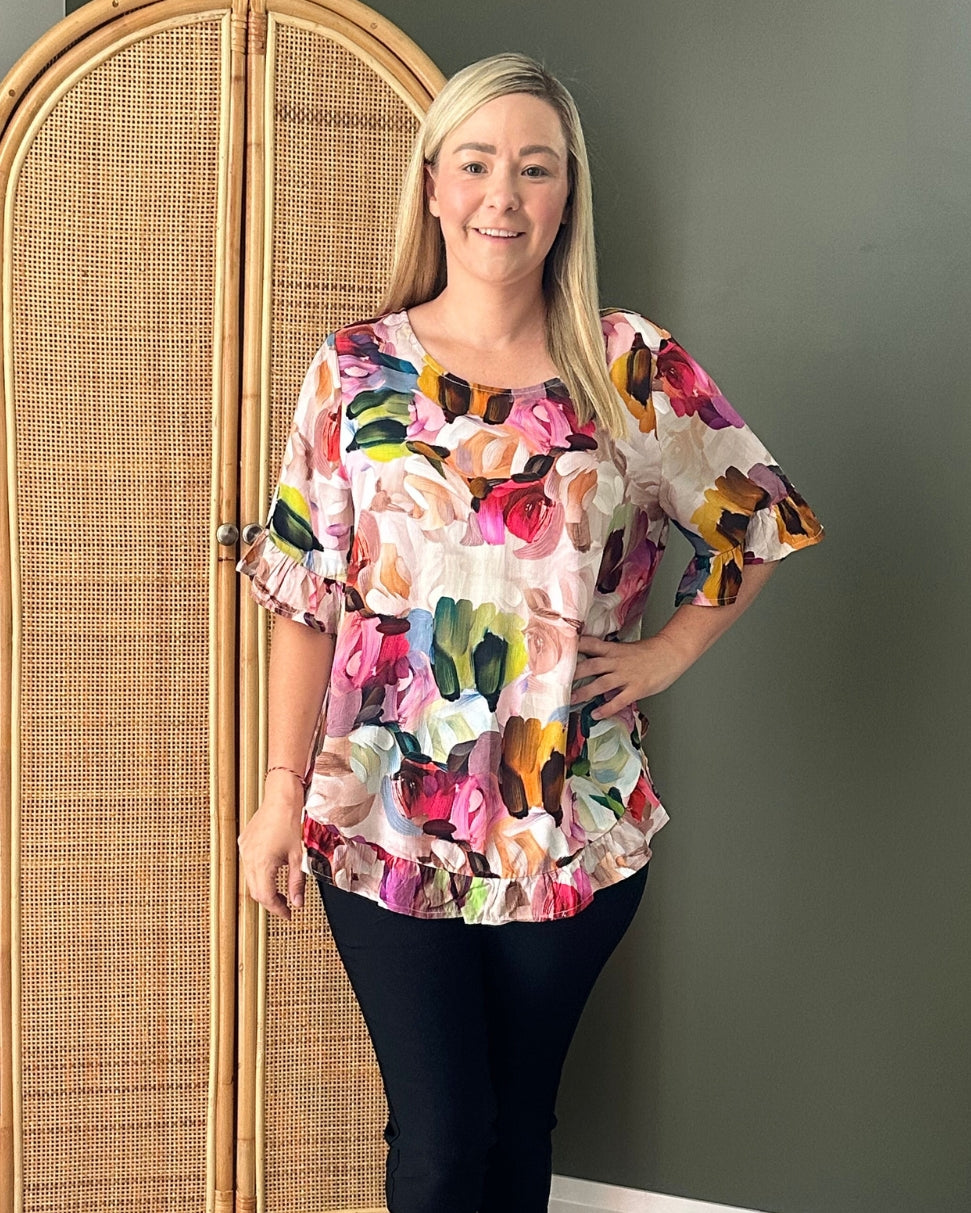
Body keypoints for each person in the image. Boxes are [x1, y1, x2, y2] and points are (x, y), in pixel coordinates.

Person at [236, 51, 823, 1213]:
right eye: (477, 163)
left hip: (569, 815)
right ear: (435, 186)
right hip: (381, 815)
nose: (502, 193)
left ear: (564, 197)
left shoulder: (625, 367)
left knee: (514, 1131)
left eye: (533, 168)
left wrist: (667, 651)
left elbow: (759, 515)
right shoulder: (356, 370)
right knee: (443, 1142)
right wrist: (273, 791)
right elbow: (305, 597)